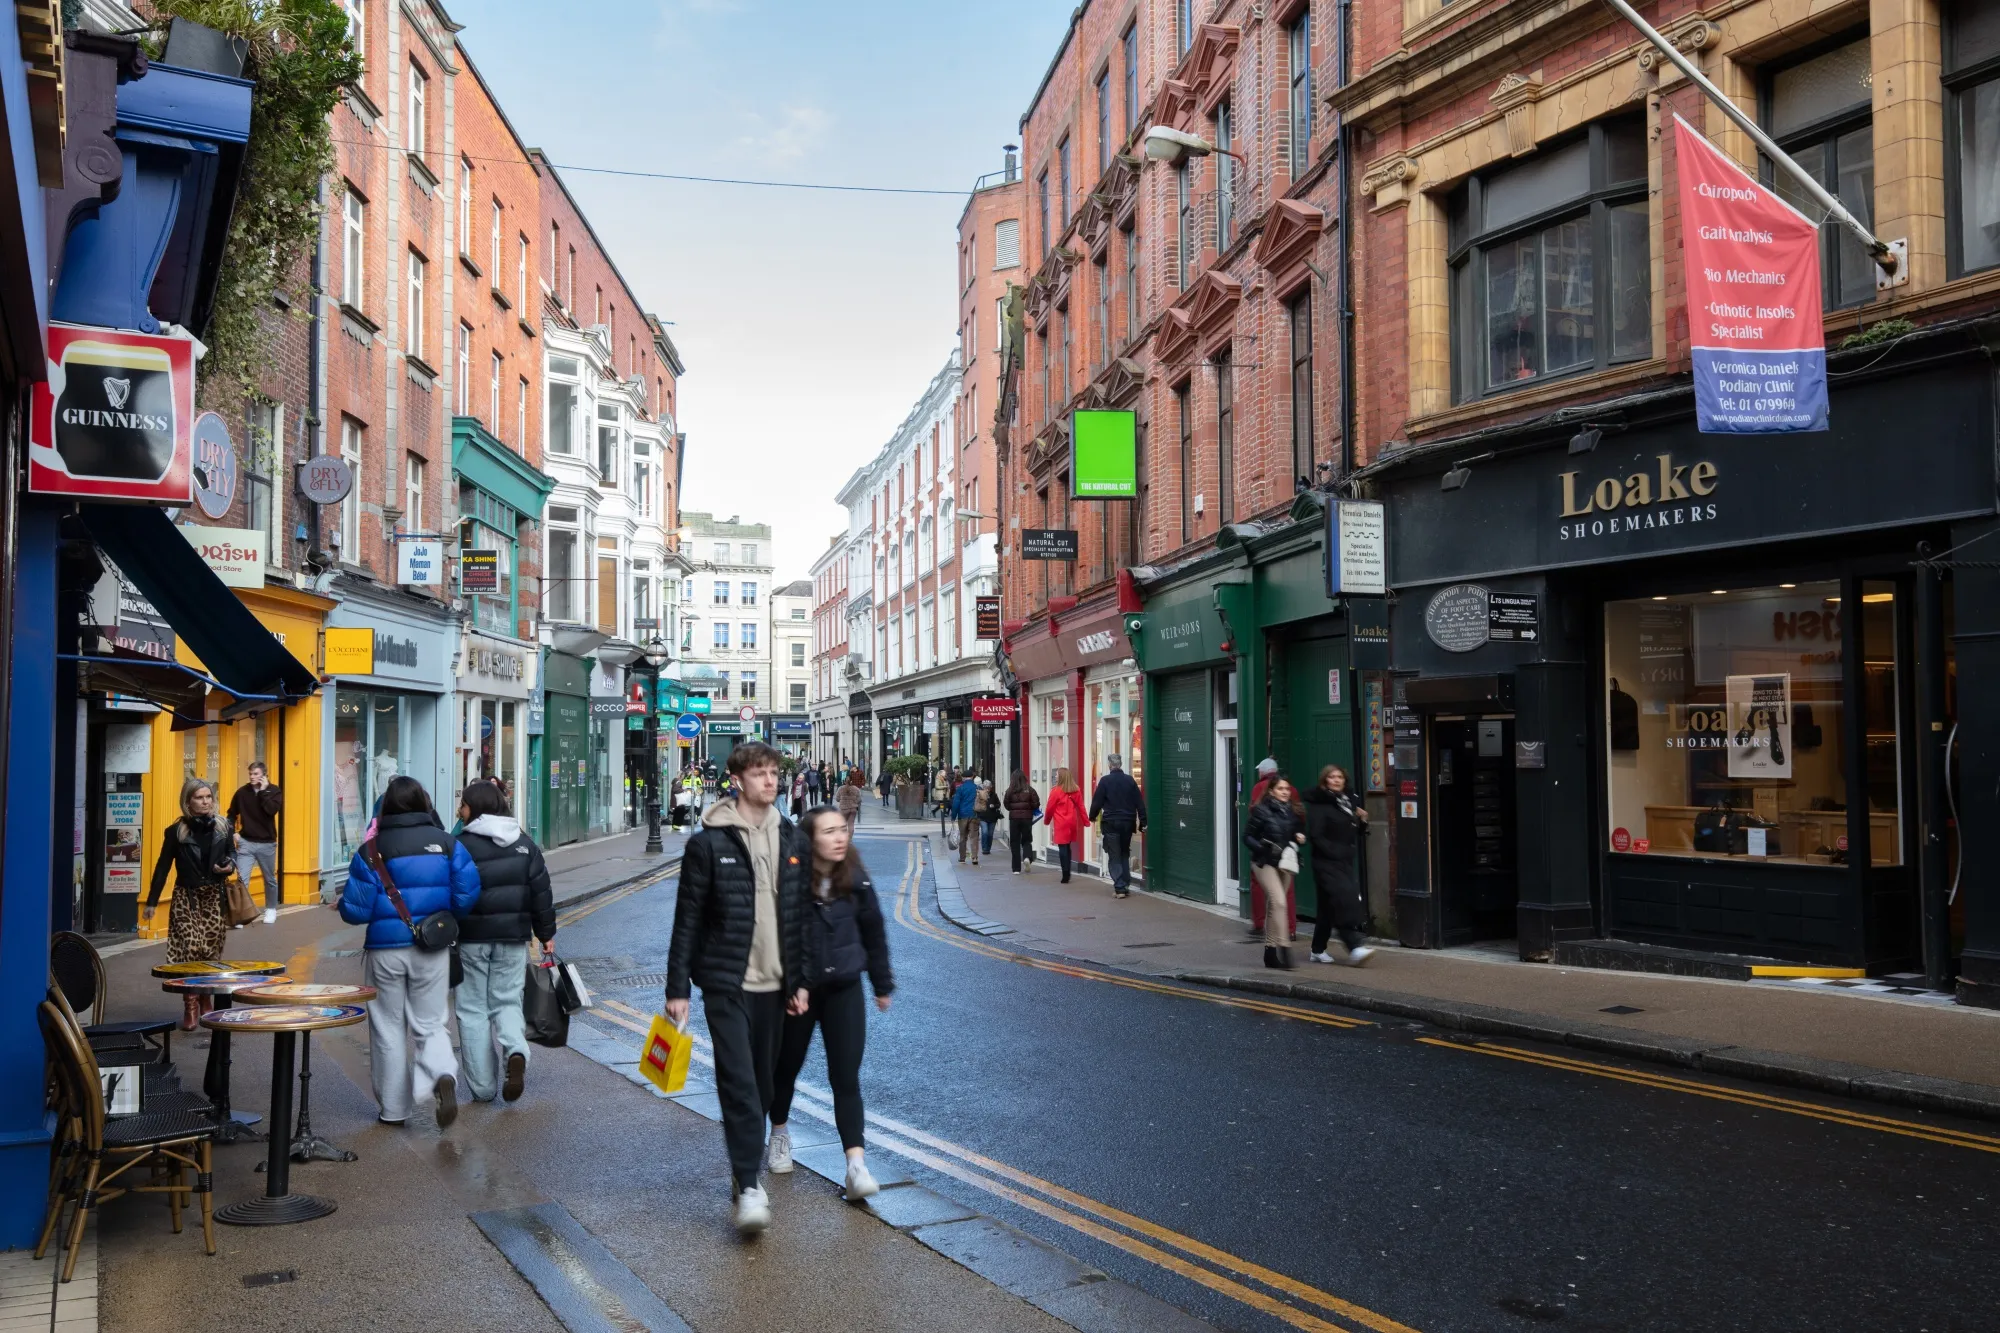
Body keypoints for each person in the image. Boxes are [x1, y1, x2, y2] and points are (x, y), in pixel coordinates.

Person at [665, 741, 812, 1236]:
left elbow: (800, 917)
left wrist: (801, 980)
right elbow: (687, 919)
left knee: (766, 1086)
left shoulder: (791, 838)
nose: (770, 781)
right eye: (760, 774)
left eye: (774, 773)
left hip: (776, 985)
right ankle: (750, 1184)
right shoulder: (708, 843)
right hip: (726, 981)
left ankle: (742, 1166)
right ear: (737, 780)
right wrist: (677, 987)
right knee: (739, 1082)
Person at [766, 805, 895, 1202]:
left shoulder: (855, 877)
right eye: (829, 831)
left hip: (844, 988)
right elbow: (782, 938)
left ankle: (856, 1166)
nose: (840, 837)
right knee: (785, 1068)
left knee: (845, 1076)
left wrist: (881, 983)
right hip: (800, 992)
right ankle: (780, 1133)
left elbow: (874, 931)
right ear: (810, 839)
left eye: (843, 829)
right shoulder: (791, 879)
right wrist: (793, 984)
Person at [340, 776, 482, 1128]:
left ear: (386, 805)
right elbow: (467, 895)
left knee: (387, 1027)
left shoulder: (371, 850)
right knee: (431, 1022)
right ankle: (441, 1072)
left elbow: (354, 911)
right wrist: (439, 915)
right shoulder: (447, 843)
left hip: (385, 951)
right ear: (424, 803)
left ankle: (394, 1110)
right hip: (430, 947)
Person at [455, 781, 557, 1103]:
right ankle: (515, 1050)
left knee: (472, 1010)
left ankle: (484, 1089)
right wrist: (546, 934)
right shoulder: (524, 844)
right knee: (508, 1002)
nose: (460, 809)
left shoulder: (460, 845)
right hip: (513, 938)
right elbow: (541, 892)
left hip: (471, 939)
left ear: (476, 808)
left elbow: (451, 892)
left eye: (464, 804)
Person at [144, 779, 236, 1029]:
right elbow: (163, 867)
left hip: (214, 898)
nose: (205, 801)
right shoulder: (176, 832)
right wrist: (152, 901)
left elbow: (232, 854)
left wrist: (229, 866)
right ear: (187, 802)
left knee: (210, 953)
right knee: (189, 951)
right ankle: (191, 1006)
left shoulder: (223, 826)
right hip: (187, 897)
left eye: (208, 797)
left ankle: (206, 999)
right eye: (199, 797)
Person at [1303, 765, 1373, 966]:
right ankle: (1355, 947)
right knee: (1344, 900)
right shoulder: (1320, 804)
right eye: (1331, 777)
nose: (1336, 780)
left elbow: (1354, 832)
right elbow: (1315, 835)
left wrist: (1363, 821)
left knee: (1328, 908)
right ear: (1325, 780)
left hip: (1343, 861)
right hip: (1325, 862)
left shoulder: (1347, 803)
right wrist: (1334, 852)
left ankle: (1317, 949)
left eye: (1339, 777)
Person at [1243, 775, 1307, 970]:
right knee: (1279, 901)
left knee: (1274, 907)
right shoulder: (1261, 811)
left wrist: (1299, 838)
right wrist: (1262, 848)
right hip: (1264, 863)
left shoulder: (1293, 812)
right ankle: (1285, 947)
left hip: (1285, 863)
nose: (1285, 792)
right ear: (1271, 791)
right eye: (1280, 789)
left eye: (1287, 789)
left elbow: (1296, 836)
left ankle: (1270, 954)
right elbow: (1246, 837)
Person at [226, 760, 282, 922]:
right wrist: (233, 833)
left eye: (256, 774)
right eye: (250, 773)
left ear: (264, 775)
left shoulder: (274, 791)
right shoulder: (242, 793)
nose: (252, 777)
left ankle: (271, 909)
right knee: (242, 879)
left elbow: (271, 810)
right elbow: (230, 814)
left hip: (267, 843)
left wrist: (263, 792)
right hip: (246, 842)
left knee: (269, 879)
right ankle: (242, 915)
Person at [1246, 757, 1294, 941]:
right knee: (1286, 893)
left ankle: (1260, 925)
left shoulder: (1259, 789)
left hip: (1267, 850)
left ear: (1263, 772)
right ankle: (1289, 929)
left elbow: (1253, 818)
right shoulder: (1291, 789)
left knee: (1260, 887)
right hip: (1287, 851)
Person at [1087, 754, 1146, 898]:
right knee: (1125, 852)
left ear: (1109, 765)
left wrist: (1092, 816)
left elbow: (1097, 802)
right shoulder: (1130, 780)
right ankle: (1125, 884)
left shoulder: (1105, 781)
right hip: (1127, 822)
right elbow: (1139, 803)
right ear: (1120, 765)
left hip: (1111, 822)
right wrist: (1143, 821)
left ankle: (1120, 887)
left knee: (1115, 854)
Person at [1041, 768, 1085, 883]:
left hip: (1061, 822)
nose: (1055, 777)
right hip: (1071, 822)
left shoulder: (1055, 791)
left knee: (1062, 847)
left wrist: (1046, 821)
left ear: (1061, 777)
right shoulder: (1076, 790)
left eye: (1057, 775)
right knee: (1068, 846)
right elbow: (1081, 807)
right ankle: (1068, 871)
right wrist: (1086, 821)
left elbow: (1049, 809)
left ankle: (1065, 874)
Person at [1003, 771, 1040, 874]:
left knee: (1014, 842)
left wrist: (1013, 809)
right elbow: (1036, 803)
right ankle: (1027, 857)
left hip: (1014, 819)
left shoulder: (1009, 791)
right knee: (1027, 840)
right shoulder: (1030, 790)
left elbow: (1006, 804)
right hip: (1027, 818)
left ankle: (1016, 869)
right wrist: (1029, 809)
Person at [951, 770, 982, 864]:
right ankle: (974, 857)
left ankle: (962, 858)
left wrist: (953, 816)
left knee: (963, 837)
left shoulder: (960, 788)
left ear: (963, 778)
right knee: (974, 837)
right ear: (972, 777)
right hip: (974, 814)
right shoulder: (977, 788)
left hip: (962, 815)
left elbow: (956, 803)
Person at [977, 779, 1000, 856]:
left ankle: (988, 848)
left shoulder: (994, 795)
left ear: (991, 787)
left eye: (989, 788)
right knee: (985, 832)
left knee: (990, 834)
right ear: (983, 787)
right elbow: (976, 805)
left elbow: (998, 804)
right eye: (986, 787)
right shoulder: (979, 794)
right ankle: (984, 849)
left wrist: (994, 806)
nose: (987, 789)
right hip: (983, 817)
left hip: (992, 818)